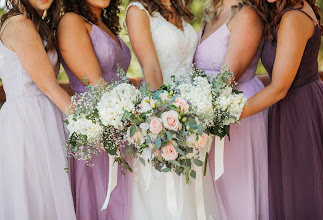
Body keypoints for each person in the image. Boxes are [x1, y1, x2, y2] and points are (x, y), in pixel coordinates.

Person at [125, 0, 221, 219]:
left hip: (192, 120)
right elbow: (151, 69)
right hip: (164, 120)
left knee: (193, 196)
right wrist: (163, 124)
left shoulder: (180, 10)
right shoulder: (138, 11)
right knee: (167, 199)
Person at [240, 0, 323, 219]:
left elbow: (279, 88)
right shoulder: (282, 13)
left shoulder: (293, 18)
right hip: (288, 109)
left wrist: (228, 113)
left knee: (304, 194)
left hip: (302, 114)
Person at [0, 0, 76, 219]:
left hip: (46, 115)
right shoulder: (20, 24)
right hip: (28, 121)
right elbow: (49, 86)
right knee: (34, 196)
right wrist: (90, 124)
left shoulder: (38, 24)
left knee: (49, 195)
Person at [194, 0, 269, 219]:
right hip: (207, 112)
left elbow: (228, 77)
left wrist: (199, 116)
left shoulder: (248, 14)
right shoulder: (213, 10)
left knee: (234, 193)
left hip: (235, 113)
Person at [57, 0, 132, 219]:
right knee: (102, 202)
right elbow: (96, 84)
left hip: (122, 124)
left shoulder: (102, 22)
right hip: (94, 128)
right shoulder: (71, 22)